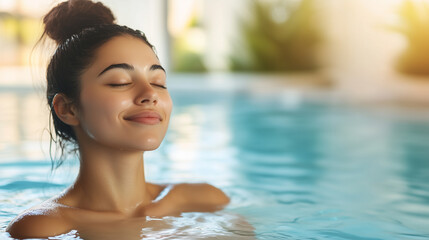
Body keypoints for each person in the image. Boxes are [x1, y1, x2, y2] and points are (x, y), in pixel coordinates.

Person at [6, 0, 229, 238]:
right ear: (67, 109)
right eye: (120, 82)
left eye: (158, 82)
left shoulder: (206, 201)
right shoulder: (43, 228)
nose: (150, 94)